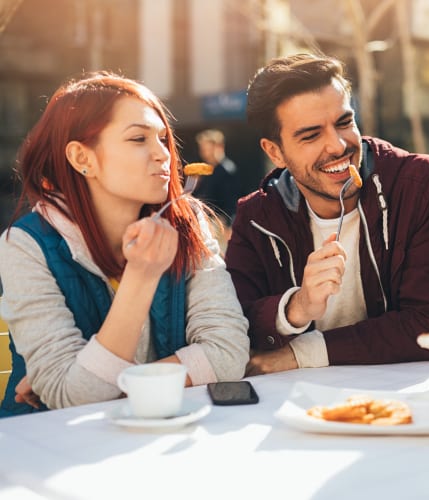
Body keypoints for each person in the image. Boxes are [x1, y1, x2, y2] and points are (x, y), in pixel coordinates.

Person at [0, 72, 250, 417]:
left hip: (159, 437)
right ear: (82, 159)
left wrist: (92, 385)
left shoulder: (189, 225)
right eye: (138, 139)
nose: (163, 154)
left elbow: (228, 354)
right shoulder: (25, 246)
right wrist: (142, 277)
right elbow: (70, 398)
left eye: (163, 138)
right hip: (50, 450)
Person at [225, 53, 429, 374]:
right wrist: (297, 307)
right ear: (275, 152)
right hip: (299, 404)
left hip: (415, 398)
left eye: (344, 122)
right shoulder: (256, 218)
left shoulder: (424, 185)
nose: (338, 145)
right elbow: (236, 327)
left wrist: (302, 354)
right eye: (311, 135)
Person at [194, 128, 240, 225]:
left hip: (220, 222)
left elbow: (231, 201)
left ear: (219, 147)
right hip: (206, 220)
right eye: (203, 150)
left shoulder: (226, 169)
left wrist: (228, 224)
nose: (205, 153)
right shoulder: (206, 170)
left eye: (208, 149)